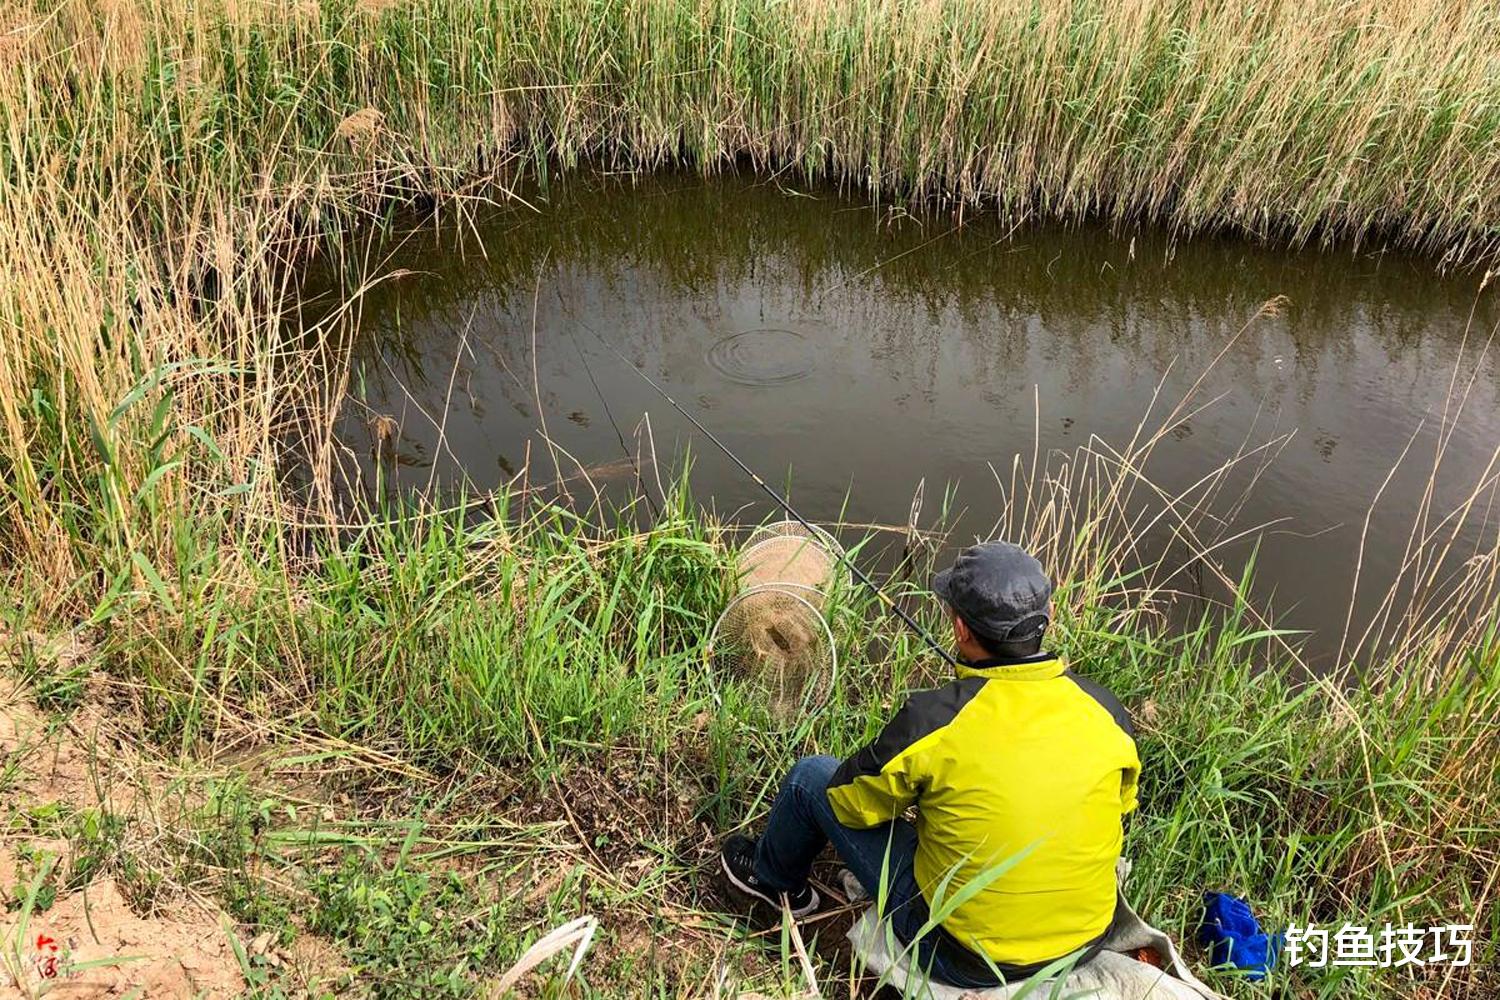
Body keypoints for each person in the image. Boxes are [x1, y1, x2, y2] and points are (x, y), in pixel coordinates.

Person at [720, 541, 1140, 988]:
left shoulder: (934, 719)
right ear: (1049, 614)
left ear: (960, 629)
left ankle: (771, 883)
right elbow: (1122, 804)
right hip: (1084, 942)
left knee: (810, 778)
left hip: (962, 957)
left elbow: (848, 802)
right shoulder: (1107, 710)